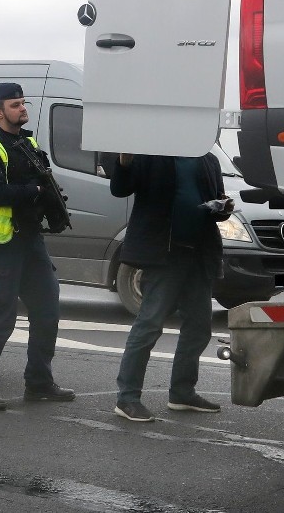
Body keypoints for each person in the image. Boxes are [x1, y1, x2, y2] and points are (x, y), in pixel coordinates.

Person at [0, 82, 75, 410]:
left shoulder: (26, 142)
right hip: (2, 243)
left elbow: (39, 182)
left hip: (30, 240)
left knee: (47, 309)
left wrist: (48, 199)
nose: (23, 109)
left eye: (24, 103)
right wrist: (35, 191)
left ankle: (39, 383)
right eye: (15, 105)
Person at [110, 151, 234, 421]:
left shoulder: (207, 159)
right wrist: (124, 162)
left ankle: (182, 392)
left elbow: (218, 203)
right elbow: (119, 189)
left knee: (200, 327)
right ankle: (127, 398)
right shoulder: (153, 155)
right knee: (149, 324)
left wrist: (223, 207)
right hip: (163, 253)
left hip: (199, 254)